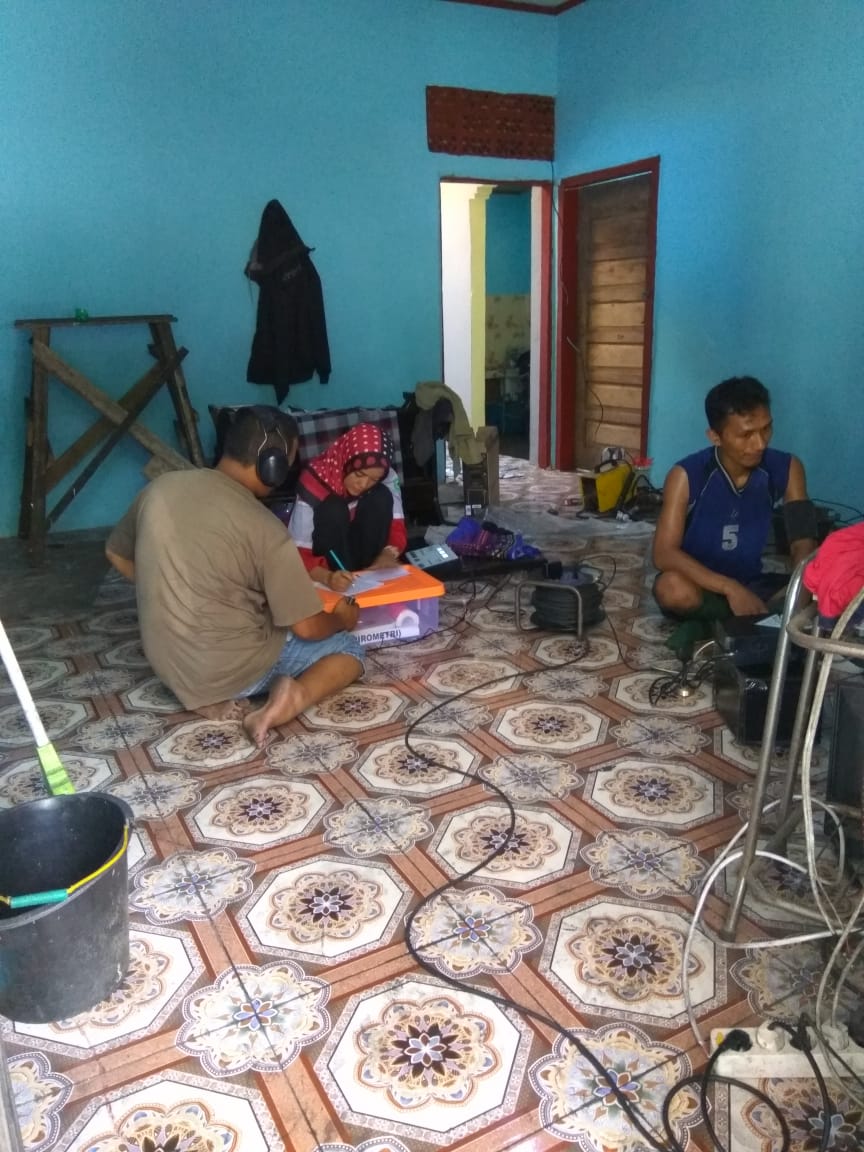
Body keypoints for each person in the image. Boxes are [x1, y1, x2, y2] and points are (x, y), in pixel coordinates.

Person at [105, 405, 363, 747]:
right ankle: (293, 698)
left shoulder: (159, 489)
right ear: (272, 464)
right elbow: (306, 627)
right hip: (230, 671)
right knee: (349, 649)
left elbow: (116, 554)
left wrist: (169, 589)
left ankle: (202, 696)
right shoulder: (265, 528)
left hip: (170, 668)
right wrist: (341, 619)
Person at [652, 376, 818, 650]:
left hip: (754, 582)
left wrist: (798, 598)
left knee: (820, 582)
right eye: (746, 435)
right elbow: (663, 554)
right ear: (715, 436)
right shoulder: (686, 475)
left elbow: (803, 541)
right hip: (700, 583)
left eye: (766, 429)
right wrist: (730, 588)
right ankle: (745, 619)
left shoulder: (788, 467)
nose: (760, 443)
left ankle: (713, 623)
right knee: (671, 588)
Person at [289, 422, 407, 593]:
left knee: (380, 496)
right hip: (327, 568)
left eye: (373, 479)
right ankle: (341, 578)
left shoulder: (385, 476)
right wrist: (327, 577)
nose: (363, 484)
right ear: (346, 459)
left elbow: (397, 526)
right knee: (334, 509)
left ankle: (370, 574)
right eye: (359, 474)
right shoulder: (313, 484)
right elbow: (297, 553)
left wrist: (388, 554)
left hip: (364, 561)